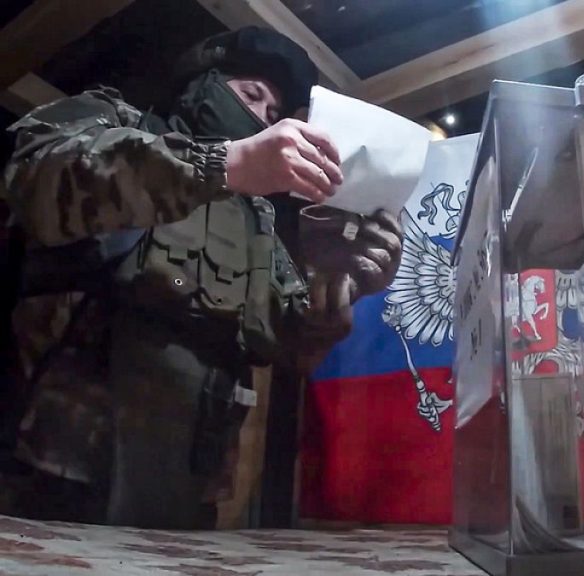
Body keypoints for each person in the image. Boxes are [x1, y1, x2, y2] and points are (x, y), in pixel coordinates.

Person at [0, 26, 402, 529]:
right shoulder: (118, 120)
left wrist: (339, 284)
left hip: (189, 483)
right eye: (250, 95)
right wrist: (222, 164)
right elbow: (34, 180)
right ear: (200, 84)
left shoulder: (255, 218)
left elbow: (288, 339)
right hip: (58, 464)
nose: (260, 117)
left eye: (273, 114)